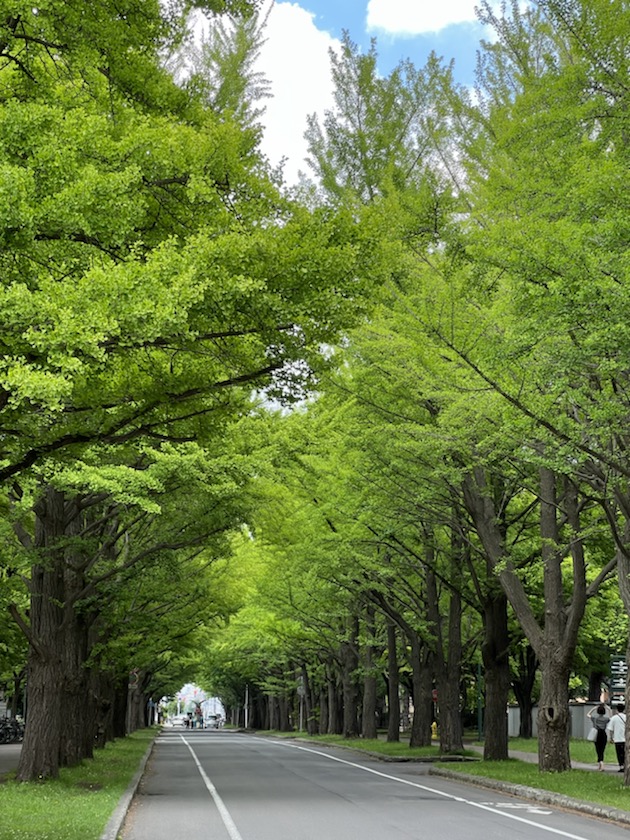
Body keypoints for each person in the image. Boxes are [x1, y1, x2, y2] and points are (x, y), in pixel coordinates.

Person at [587, 704, 610, 770]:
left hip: (597, 734)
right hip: (603, 734)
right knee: (602, 749)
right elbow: (611, 717)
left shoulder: (595, 718)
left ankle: (601, 764)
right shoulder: (606, 719)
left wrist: (593, 708)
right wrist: (609, 709)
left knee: (598, 749)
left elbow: (588, 715)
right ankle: (600, 764)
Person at [606, 703, 626, 772]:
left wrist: (611, 738)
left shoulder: (614, 718)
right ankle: (626, 765)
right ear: (624, 709)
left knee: (619, 753)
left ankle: (621, 766)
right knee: (625, 753)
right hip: (626, 739)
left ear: (617, 709)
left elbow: (610, 729)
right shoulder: (626, 717)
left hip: (617, 739)